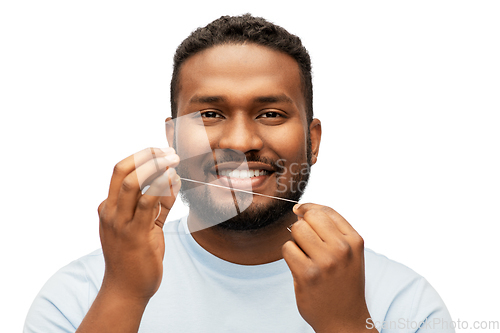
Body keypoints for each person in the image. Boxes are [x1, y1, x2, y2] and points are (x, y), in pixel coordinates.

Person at [24, 14, 454, 333]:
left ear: (313, 140)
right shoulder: (79, 295)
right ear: (174, 139)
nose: (241, 140)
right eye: (210, 113)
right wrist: (123, 294)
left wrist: (345, 323)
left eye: (270, 113)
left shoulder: (403, 300)